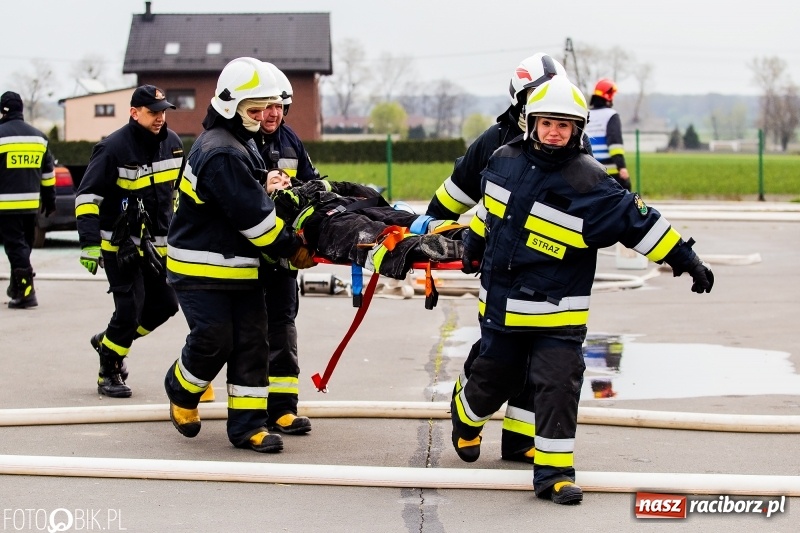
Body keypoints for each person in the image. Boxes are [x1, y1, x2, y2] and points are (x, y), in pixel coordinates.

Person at [452, 75, 714, 505]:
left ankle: (554, 475)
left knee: (558, 384)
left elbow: (640, 222)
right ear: (531, 123)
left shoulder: (591, 182)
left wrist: (687, 260)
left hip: (560, 315)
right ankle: (465, 412)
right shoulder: (502, 160)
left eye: (565, 125)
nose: (555, 132)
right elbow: (489, 213)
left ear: (577, 130)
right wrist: (473, 247)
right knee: (491, 382)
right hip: (503, 307)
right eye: (547, 123)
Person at [426, 53, 590, 464]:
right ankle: (469, 410)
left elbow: (595, 195)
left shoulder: (572, 142)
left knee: (545, 364)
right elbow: (453, 196)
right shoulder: (496, 142)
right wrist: (427, 234)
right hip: (502, 273)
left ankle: (519, 441)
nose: (553, 121)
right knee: (499, 361)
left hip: (550, 277)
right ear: (521, 101)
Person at [163, 57, 315, 453]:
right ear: (231, 107)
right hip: (202, 270)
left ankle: (247, 428)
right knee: (214, 339)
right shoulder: (221, 152)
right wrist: (294, 249)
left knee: (252, 343)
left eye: (267, 106)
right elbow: (256, 220)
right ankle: (180, 388)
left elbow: (251, 196)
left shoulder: (239, 142)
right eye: (254, 109)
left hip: (241, 267)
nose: (263, 115)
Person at [75, 85, 184, 397]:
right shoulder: (112, 148)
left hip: (158, 247)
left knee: (165, 306)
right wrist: (88, 244)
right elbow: (87, 198)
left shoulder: (174, 145)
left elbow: (181, 197)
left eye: (163, 111)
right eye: (153, 112)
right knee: (129, 310)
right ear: (134, 113)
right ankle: (109, 369)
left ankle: (110, 340)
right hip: (118, 247)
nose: (160, 118)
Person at [252, 62, 321, 436]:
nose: (273, 113)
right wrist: (263, 185)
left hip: (282, 258)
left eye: (279, 105)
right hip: (245, 259)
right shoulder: (236, 144)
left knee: (282, 329)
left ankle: (282, 408)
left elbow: (312, 187)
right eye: (266, 106)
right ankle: (242, 407)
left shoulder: (291, 141)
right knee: (242, 334)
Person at [265, 169, 464, 278]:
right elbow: (271, 241)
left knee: (410, 220)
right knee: (369, 235)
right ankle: (422, 247)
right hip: (328, 223)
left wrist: (329, 186)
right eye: (275, 180)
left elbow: (357, 190)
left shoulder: (312, 188)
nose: (284, 181)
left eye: (285, 177)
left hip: (358, 206)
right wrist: (294, 249)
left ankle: (462, 236)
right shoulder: (271, 207)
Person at [0, 91, 55, 309]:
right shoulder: (39, 137)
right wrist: (50, 201)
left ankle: (26, 293)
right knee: (23, 247)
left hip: (6, 206)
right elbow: (47, 173)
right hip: (31, 206)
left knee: (16, 249)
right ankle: (17, 286)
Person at [586, 78, 631, 190]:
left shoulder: (586, 114)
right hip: (609, 170)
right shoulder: (611, 115)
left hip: (588, 169)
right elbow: (615, 145)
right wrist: (622, 167)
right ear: (609, 96)